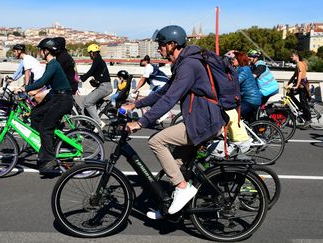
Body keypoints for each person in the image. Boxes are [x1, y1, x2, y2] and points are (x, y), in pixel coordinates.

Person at [123, 25, 226, 218]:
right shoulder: (184, 64)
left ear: (172, 44)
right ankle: (170, 206)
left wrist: (141, 122)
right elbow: (163, 92)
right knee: (176, 165)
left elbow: (170, 99)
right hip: (200, 118)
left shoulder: (188, 66)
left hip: (203, 121)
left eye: (161, 44)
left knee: (156, 141)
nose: (159, 48)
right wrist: (136, 104)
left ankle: (183, 189)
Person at [14, 38, 73, 173]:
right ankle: (42, 145)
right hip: (57, 96)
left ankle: (50, 158)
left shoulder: (53, 64)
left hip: (63, 99)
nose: (40, 52)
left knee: (46, 128)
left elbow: (42, 81)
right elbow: (46, 82)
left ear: (46, 51)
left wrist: (25, 88)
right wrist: (33, 91)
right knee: (35, 114)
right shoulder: (51, 64)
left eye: (41, 50)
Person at [80, 44, 113, 128]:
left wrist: (81, 78)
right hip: (103, 86)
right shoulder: (99, 60)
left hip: (104, 87)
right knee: (85, 100)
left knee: (88, 103)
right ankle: (95, 116)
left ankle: (99, 123)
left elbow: (91, 71)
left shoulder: (97, 60)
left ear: (92, 53)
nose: (89, 55)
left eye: (89, 53)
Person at [232, 51, 262, 121]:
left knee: (234, 114)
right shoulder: (241, 69)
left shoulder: (244, 70)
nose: (232, 60)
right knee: (249, 121)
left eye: (234, 59)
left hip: (251, 100)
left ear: (239, 60)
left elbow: (235, 82)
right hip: (249, 99)